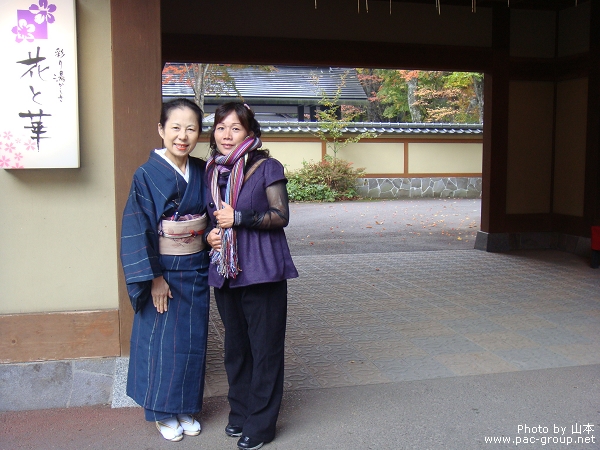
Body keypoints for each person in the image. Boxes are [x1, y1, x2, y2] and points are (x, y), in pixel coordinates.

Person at [205, 102, 298, 450]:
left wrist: (239, 218)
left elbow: (281, 215)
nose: (227, 135)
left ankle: (261, 425)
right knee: (236, 348)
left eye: (236, 128)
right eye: (221, 127)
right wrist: (208, 236)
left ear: (250, 133)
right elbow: (207, 218)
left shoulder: (266, 166)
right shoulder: (212, 171)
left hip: (262, 270)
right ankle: (240, 412)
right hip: (226, 270)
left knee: (265, 348)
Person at [120, 98, 210, 442]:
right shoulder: (146, 175)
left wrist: (215, 234)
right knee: (162, 343)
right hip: (164, 272)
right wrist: (154, 278)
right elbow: (137, 228)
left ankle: (185, 405)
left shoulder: (201, 170)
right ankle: (160, 411)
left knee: (191, 341)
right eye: (175, 127)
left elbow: (213, 213)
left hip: (196, 267)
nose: (182, 136)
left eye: (191, 128)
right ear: (161, 129)